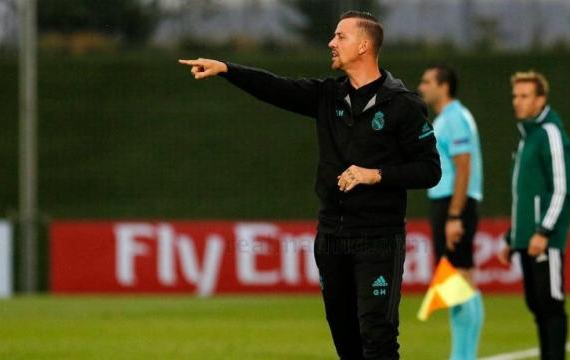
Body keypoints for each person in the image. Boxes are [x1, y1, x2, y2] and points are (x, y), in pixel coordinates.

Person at [179, 11, 441, 359]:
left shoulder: (404, 105)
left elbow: (430, 170)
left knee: (377, 337)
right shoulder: (328, 96)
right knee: (346, 341)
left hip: (378, 238)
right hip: (331, 236)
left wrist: (374, 173)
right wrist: (228, 69)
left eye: (340, 37)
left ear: (364, 46)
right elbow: (276, 87)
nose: (331, 43)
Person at [498, 71, 570, 360]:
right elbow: (525, 195)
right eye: (515, 96)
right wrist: (512, 236)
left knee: (551, 303)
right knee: (537, 304)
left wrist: (543, 232)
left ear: (541, 99)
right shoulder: (526, 137)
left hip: (545, 239)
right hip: (526, 237)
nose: (517, 102)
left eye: (525, 96)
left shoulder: (550, 134)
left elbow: (562, 188)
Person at [418, 65, 484, 360]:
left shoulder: (455, 118)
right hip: (454, 202)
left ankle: (461, 357)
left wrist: (455, 215)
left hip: (452, 203)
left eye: (427, 82)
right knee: (463, 281)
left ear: (444, 87)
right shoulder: (451, 117)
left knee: (456, 282)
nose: (421, 87)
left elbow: (464, 166)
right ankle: (464, 355)